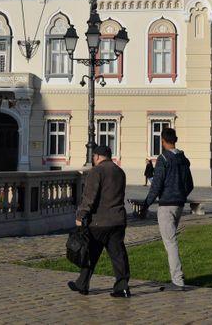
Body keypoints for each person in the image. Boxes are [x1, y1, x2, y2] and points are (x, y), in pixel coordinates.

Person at [68, 145, 131, 298]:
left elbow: (89, 197)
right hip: (118, 219)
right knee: (118, 255)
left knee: (90, 253)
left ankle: (82, 284)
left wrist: (80, 216)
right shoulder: (119, 171)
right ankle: (122, 287)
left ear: (96, 157)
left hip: (99, 221)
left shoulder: (96, 171)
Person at [141, 127, 193, 292]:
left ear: (163, 141)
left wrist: (146, 204)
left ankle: (177, 280)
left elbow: (156, 185)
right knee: (171, 241)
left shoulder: (163, 159)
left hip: (166, 205)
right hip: (179, 204)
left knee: (170, 243)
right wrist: (181, 195)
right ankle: (177, 278)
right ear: (175, 140)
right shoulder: (183, 159)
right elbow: (190, 184)